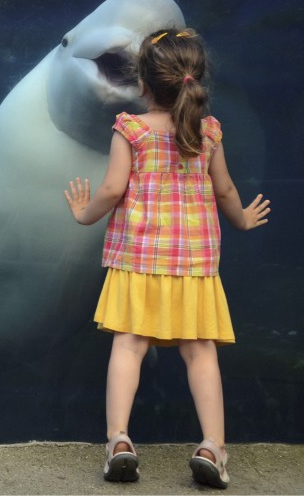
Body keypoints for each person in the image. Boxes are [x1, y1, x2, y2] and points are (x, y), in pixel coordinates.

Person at [63, 28, 270, 489]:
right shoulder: (209, 130)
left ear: (143, 84)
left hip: (138, 259)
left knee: (128, 347)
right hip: (194, 264)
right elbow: (226, 190)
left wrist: (83, 214)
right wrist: (241, 220)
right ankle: (212, 446)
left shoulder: (130, 129)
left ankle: (119, 440)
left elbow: (114, 189)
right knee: (200, 353)